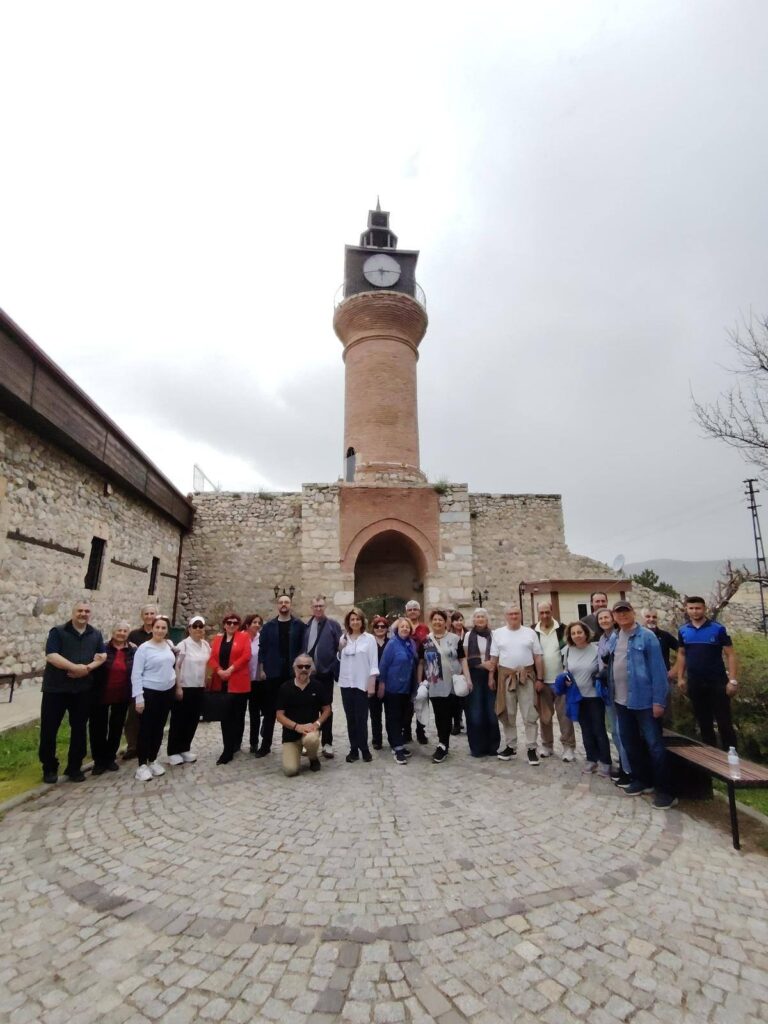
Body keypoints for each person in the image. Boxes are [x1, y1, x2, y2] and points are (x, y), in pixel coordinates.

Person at [606, 600, 676, 809]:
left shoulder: (647, 637)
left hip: (644, 701)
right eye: (618, 613)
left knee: (654, 745)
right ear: (614, 616)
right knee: (630, 742)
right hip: (621, 700)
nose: (622, 615)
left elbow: (658, 671)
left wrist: (658, 701)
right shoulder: (615, 637)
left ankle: (665, 790)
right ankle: (641, 780)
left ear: (633, 612)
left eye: (625, 611)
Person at [39, 600, 107, 783]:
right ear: (73, 612)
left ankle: (74, 767)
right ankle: (49, 767)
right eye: (80, 610)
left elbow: (102, 656)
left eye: (86, 611)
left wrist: (87, 668)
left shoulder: (95, 634)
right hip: (56, 689)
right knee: (49, 729)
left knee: (78, 729)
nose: (83, 614)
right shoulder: (58, 632)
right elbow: (52, 655)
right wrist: (75, 667)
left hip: (82, 689)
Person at [677, 596, 738, 750]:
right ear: (686, 609)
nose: (694, 611)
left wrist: (732, 680)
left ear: (704, 609)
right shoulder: (683, 631)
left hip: (717, 682)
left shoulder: (718, 629)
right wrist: (680, 678)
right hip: (696, 683)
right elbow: (682, 654)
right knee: (704, 723)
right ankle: (711, 759)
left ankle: (731, 758)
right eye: (691, 608)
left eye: (698, 608)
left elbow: (730, 654)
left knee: (724, 722)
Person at [489, 605, 543, 766]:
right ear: (506, 616)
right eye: (511, 614)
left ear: (520, 615)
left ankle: (531, 748)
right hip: (506, 677)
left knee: (530, 713)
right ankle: (511, 746)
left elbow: (538, 657)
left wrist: (540, 678)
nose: (514, 616)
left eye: (516, 613)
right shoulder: (498, 634)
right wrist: (491, 677)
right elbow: (494, 658)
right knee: (508, 713)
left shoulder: (530, 633)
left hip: (527, 676)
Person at [255, 594, 305, 758]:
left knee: (293, 711)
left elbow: (302, 649)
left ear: (290, 604)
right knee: (270, 711)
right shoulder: (269, 626)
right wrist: (262, 669)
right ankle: (265, 745)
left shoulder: (299, 625)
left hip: (292, 675)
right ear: (277, 605)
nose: (284, 605)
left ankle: (291, 744)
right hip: (273, 673)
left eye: (287, 602)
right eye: (281, 602)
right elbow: (262, 650)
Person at [419, 609, 471, 764]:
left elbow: (463, 660)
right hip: (435, 683)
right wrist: (419, 681)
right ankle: (442, 743)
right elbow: (421, 663)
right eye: (434, 619)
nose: (437, 622)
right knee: (439, 714)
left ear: (445, 622)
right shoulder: (426, 641)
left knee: (447, 715)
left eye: (440, 619)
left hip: (451, 682)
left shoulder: (455, 639)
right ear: (431, 622)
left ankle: (443, 744)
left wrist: (468, 679)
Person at [561, 621, 612, 777]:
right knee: (586, 730)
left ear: (586, 633)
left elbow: (604, 670)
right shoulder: (567, 651)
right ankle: (591, 759)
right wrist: (566, 680)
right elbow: (565, 670)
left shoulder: (596, 650)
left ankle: (606, 761)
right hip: (577, 697)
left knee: (599, 729)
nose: (577, 635)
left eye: (579, 632)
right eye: (573, 633)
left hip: (594, 696)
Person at [132, 615, 177, 782]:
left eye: (163, 628)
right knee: (146, 729)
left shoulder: (169, 645)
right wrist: (139, 697)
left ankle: (153, 759)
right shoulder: (144, 649)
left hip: (166, 692)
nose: (160, 630)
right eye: (157, 627)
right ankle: (142, 764)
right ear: (152, 628)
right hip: (149, 692)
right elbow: (136, 674)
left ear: (167, 630)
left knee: (159, 728)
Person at [89, 620, 135, 775]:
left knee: (116, 728)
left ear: (128, 634)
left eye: (124, 631)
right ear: (113, 631)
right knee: (98, 728)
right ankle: (98, 761)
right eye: (119, 630)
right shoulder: (102, 647)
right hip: (101, 693)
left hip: (122, 694)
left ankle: (110, 758)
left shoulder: (132, 650)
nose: (121, 633)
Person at [531, 601, 574, 761]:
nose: (544, 616)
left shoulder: (562, 629)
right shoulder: (532, 631)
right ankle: (547, 745)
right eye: (541, 613)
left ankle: (568, 746)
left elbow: (571, 652)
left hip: (561, 681)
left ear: (552, 611)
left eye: (547, 612)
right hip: (542, 681)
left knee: (565, 717)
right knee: (545, 717)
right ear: (538, 614)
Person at [275, 656, 331, 776]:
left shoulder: (318, 686)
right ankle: (296, 752)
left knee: (311, 739)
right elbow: (279, 715)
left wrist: (317, 724)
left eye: (307, 666)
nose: (303, 669)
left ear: (312, 669)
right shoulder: (285, 688)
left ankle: (313, 757)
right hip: (291, 734)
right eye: (300, 666)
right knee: (290, 771)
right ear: (294, 668)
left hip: (310, 731)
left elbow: (327, 709)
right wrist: (296, 727)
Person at [208, 613, 252, 764]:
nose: (231, 625)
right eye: (229, 622)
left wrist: (230, 669)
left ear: (238, 625)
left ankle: (235, 744)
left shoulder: (244, 637)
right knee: (226, 717)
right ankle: (227, 751)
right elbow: (212, 657)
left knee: (238, 716)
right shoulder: (218, 639)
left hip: (238, 683)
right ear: (224, 624)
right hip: (222, 683)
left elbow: (246, 656)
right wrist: (219, 670)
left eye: (235, 623)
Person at [301, 596, 342, 759]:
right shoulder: (306, 627)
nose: (318, 608)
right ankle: (309, 741)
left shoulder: (333, 625)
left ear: (325, 607)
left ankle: (327, 743)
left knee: (326, 708)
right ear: (312, 607)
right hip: (310, 674)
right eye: (315, 606)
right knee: (309, 708)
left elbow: (339, 648)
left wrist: (332, 666)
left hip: (326, 674)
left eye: (321, 606)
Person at [167, 615, 211, 765]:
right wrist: (178, 686)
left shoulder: (205, 645)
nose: (198, 629)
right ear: (189, 629)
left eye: (201, 626)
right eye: (195, 626)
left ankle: (185, 748)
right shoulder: (183, 645)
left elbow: (208, 664)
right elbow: (176, 666)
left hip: (199, 687)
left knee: (192, 719)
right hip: (185, 686)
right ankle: (173, 751)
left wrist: (207, 680)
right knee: (179, 719)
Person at [596, 608, 631, 788]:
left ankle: (629, 769)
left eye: (606, 617)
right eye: (600, 618)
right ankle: (623, 765)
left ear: (613, 619)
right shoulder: (602, 639)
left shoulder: (619, 637)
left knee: (622, 730)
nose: (604, 620)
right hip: (608, 689)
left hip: (621, 689)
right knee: (615, 731)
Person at [338, 607, 379, 763]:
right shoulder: (344, 638)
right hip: (346, 682)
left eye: (357, 619)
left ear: (362, 621)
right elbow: (339, 659)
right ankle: (353, 749)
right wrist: (340, 648)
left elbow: (373, 662)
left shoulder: (369, 639)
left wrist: (372, 684)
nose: (355, 622)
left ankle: (364, 748)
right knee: (350, 718)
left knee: (361, 717)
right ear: (349, 622)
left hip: (361, 683)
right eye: (352, 619)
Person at [378, 616, 419, 764]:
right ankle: (397, 747)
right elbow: (383, 664)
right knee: (393, 717)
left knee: (404, 717)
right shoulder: (392, 644)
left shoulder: (411, 643)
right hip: (393, 687)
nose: (405, 629)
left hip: (407, 686)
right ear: (397, 629)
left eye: (407, 627)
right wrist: (381, 683)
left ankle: (397, 743)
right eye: (402, 626)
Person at [463, 608, 500, 757]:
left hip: (491, 674)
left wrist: (491, 673)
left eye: (482, 617)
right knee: (476, 712)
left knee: (491, 712)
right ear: (473, 620)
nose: (480, 619)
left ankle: (492, 746)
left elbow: (496, 655)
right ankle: (477, 747)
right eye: (477, 617)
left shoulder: (494, 635)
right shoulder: (468, 636)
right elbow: (465, 657)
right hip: (475, 675)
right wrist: (481, 665)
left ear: (487, 619)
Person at [122, 603, 157, 760]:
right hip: (136, 678)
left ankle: (147, 744)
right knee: (133, 715)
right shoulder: (134, 635)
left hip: (154, 679)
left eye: (152, 614)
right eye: (146, 614)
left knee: (151, 714)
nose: (149, 616)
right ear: (142, 616)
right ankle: (132, 746)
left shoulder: (160, 632)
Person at [404, 600, 430, 744]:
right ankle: (406, 730)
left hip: (422, 669)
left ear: (419, 612)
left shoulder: (425, 628)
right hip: (406, 670)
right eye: (410, 610)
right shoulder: (403, 626)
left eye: (415, 609)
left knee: (422, 700)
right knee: (407, 703)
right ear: (406, 612)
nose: (413, 611)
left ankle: (421, 730)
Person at [241, 614, 263, 752]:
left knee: (255, 713)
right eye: (254, 622)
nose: (257, 625)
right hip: (242, 680)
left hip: (256, 680)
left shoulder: (261, 638)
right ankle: (236, 742)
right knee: (239, 712)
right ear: (247, 624)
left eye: (259, 622)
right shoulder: (240, 637)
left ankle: (254, 742)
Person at [369, 614, 389, 749]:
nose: (380, 628)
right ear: (373, 628)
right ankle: (377, 739)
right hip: (373, 682)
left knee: (391, 713)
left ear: (387, 628)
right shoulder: (369, 643)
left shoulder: (391, 643)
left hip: (389, 683)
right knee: (375, 714)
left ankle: (393, 737)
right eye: (377, 626)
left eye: (383, 626)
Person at [642, 608, 679, 675]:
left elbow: (682, 651)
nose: (651, 619)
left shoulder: (665, 635)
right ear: (642, 618)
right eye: (648, 616)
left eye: (654, 617)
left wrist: (674, 670)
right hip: (643, 679)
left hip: (663, 677)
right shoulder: (636, 636)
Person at [450, 611, 467, 734]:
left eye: (461, 619)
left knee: (465, 696)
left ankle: (467, 721)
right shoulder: (449, 636)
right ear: (452, 622)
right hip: (453, 669)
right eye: (456, 620)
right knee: (455, 698)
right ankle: (457, 722)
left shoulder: (467, 634)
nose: (459, 622)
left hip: (467, 668)